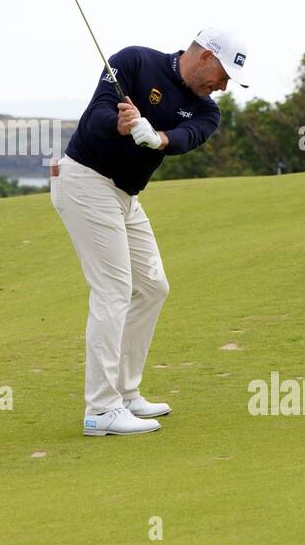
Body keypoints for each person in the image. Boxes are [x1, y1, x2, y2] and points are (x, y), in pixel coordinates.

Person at [50, 27, 250, 436]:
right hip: (85, 179)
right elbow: (96, 119)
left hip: (125, 195)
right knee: (114, 289)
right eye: (224, 75)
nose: (224, 86)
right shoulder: (135, 61)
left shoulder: (207, 110)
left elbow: (186, 138)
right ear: (205, 56)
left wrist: (156, 137)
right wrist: (123, 126)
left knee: (154, 286)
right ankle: (101, 410)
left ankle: (124, 393)